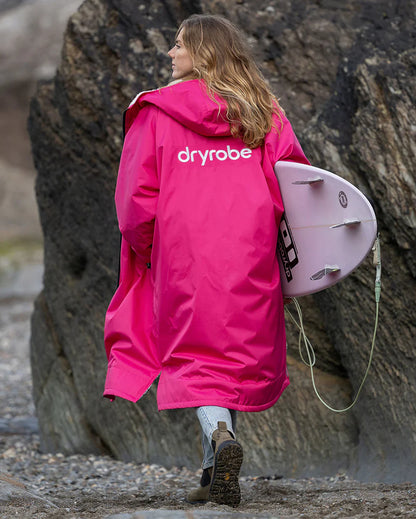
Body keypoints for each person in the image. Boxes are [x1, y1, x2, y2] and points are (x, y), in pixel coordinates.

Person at [103, 14, 309, 507]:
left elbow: (135, 200)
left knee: (195, 357)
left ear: (203, 51)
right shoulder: (263, 110)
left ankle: (220, 437)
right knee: (230, 354)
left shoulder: (155, 111)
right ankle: (216, 472)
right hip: (250, 250)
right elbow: (296, 183)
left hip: (183, 252)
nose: (171, 53)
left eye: (179, 45)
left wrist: (150, 251)